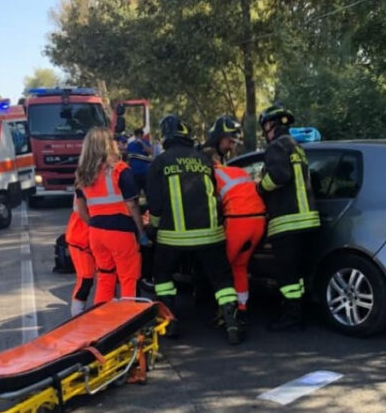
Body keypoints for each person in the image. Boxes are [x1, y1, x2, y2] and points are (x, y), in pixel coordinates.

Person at [146, 114, 243, 345]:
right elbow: (215, 193)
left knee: (162, 274)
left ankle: (170, 321)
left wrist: (154, 230)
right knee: (221, 278)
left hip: (173, 237)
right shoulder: (202, 159)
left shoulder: (160, 163)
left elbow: (155, 203)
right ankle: (231, 321)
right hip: (210, 235)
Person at [256, 104, 321, 331]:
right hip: (309, 221)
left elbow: (279, 177)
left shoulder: (276, 147)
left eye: (265, 126)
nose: (265, 131)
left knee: (286, 273)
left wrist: (260, 188)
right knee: (298, 273)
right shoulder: (297, 147)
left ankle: (290, 317)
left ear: (271, 125)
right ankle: (298, 312)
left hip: (287, 222)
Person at [74, 127, 148, 303]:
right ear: (108, 145)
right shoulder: (120, 170)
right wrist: (141, 231)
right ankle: (128, 323)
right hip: (121, 232)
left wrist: (94, 224)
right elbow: (132, 205)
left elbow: (81, 210)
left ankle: (103, 320)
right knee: (128, 278)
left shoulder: (83, 175)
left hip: (96, 233)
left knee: (105, 277)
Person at [201, 146, 265, 319]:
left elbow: (213, 204)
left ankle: (227, 311)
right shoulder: (239, 171)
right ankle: (242, 307)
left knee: (223, 268)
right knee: (240, 266)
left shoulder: (212, 176)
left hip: (238, 221)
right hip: (259, 221)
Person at [65, 193, 96, 316]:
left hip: (92, 237)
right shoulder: (84, 183)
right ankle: (77, 315)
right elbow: (80, 210)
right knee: (85, 279)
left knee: (107, 276)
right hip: (82, 239)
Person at [126, 128, 153, 195]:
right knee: (135, 194)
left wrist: (142, 144)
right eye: (138, 135)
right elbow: (129, 159)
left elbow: (151, 152)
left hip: (145, 173)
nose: (139, 137)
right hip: (134, 173)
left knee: (148, 193)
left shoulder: (146, 143)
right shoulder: (130, 145)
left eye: (140, 135)